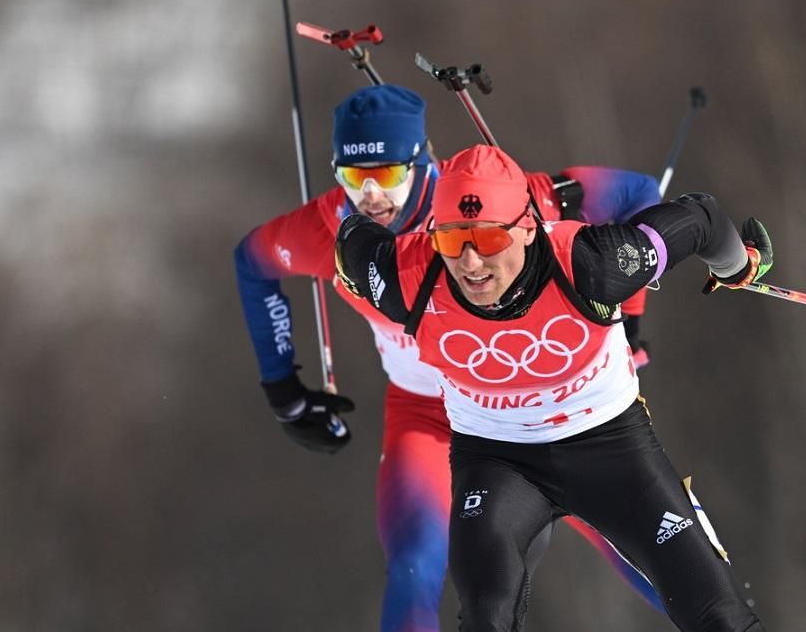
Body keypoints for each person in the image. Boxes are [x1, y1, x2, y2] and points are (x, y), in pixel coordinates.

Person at [233, 84, 665, 631]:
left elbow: (640, 195)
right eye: (351, 176)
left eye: (387, 174)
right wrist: (284, 392)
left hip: (532, 413)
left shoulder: (503, 202)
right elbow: (253, 263)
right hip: (427, 415)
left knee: (643, 552)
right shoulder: (331, 230)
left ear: (423, 159)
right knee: (414, 562)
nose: (369, 196)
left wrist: (627, 318)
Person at [334, 144, 771, 631]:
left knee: (719, 616)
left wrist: (739, 264)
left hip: (611, 451)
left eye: (488, 238)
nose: (471, 262)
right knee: (486, 614)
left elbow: (701, 217)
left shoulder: (594, 262)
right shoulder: (406, 277)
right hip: (498, 461)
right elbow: (353, 239)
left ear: (526, 227)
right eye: (453, 240)